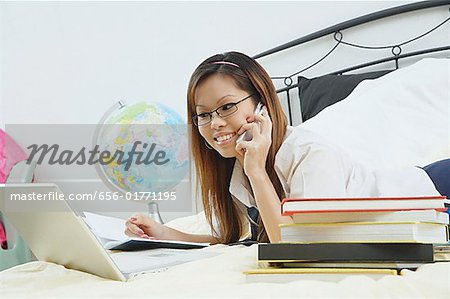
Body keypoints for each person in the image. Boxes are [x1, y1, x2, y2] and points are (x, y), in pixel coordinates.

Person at [125, 52, 448, 244]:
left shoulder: (307, 153)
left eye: (226, 107)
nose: (215, 123)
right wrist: (166, 233)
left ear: (263, 104)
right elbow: (240, 237)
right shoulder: (238, 166)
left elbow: (296, 243)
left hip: (434, 190)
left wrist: (256, 171)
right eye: (204, 115)